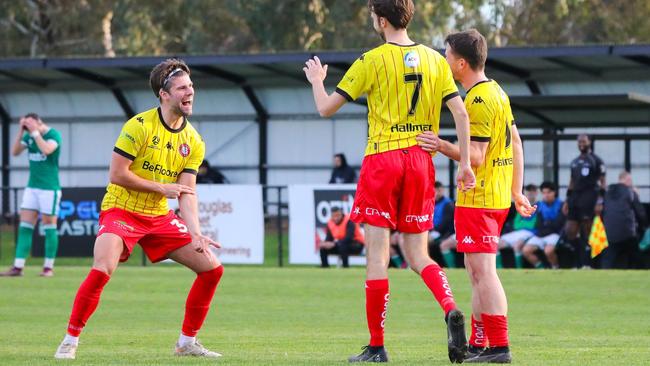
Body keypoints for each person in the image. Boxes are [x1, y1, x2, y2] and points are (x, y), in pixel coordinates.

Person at [303, 1, 476, 362]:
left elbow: (325, 108)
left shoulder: (372, 60)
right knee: (418, 255)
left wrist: (318, 82)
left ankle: (377, 346)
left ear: (381, 20)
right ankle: (449, 308)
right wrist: (463, 165)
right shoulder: (434, 60)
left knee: (377, 258)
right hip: (420, 159)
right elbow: (460, 111)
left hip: (383, 159)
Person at [54, 59, 224, 360]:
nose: (190, 92)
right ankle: (70, 340)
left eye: (192, 87)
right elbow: (117, 174)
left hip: (158, 217)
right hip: (121, 208)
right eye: (182, 87)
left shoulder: (194, 141)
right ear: (164, 94)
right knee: (103, 267)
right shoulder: (139, 126)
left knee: (212, 269)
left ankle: (187, 342)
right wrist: (161, 188)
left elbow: (187, 192)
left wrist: (197, 233)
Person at [417, 29, 536, 363]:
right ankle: (481, 343)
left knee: (484, 272)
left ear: (461, 63)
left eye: (446, 54)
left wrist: (440, 145)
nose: (444, 59)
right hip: (493, 197)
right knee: (476, 272)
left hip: (480, 198)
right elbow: (516, 141)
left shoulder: (477, 100)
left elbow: (478, 157)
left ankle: (499, 347)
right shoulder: (496, 90)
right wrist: (516, 192)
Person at [0, 113, 62, 277]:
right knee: (25, 226)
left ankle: (48, 267)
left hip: (49, 188)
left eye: (30, 124)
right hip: (32, 187)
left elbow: (47, 150)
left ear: (38, 121)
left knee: (49, 225)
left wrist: (35, 132)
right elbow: (14, 152)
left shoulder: (53, 135)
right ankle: (18, 266)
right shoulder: (28, 136)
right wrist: (21, 131)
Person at [563, 134, 606, 268]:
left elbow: (603, 182)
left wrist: (600, 201)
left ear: (589, 142)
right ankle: (577, 262)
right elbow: (571, 182)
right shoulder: (575, 161)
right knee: (570, 231)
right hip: (575, 199)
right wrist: (567, 200)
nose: (581, 143)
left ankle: (588, 264)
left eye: (584, 141)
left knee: (587, 231)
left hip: (589, 198)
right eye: (579, 141)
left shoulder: (597, 160)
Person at [601, 171, 647, 269]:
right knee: (636, 256)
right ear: (628, 180)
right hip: (627, 234)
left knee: (608, 259)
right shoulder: (630, 193)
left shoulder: (608, 192)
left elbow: (604, 212)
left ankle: (604, 272)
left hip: (610, 233)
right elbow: (641, 214)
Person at [522, 182, 565, 269]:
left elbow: (559, 223)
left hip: (554, 234)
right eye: (544, 193)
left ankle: (555, 268)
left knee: (548, 251)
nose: (546, 195)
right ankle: (541, 269)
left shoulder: (561, 205)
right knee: (526, 250)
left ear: (554, 193)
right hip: (541, 234)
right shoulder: (539, 205)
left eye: (548, 192)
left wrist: (548, 224)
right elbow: (539, 223)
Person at [497, 184, 538, 269]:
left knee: (517, 245)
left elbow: (533, 225)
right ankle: (498, 268)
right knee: (496, 243)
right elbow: (516, 225)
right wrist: (525, 223)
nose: (530, 195)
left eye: (532, 193)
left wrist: (523, 223)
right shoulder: (521, 206)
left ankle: (518, 269)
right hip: (518, 232)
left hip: (531, 233)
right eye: (528, 193)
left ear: (536, 193)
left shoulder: (539, 206)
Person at [430, 182, 456, 268]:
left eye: (439, 190)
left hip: (439, 232)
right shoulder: (430, 203)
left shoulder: (448, 204)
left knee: (422, 241)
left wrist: (433, 229)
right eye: (435, 191)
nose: (437, 193)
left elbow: (446, 223)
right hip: (431, 230)